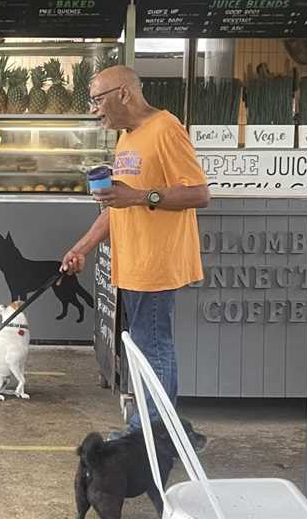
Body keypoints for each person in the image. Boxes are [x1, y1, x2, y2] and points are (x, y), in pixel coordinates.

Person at [60, 65, 209, 435]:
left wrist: (140, 195)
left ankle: (151, 435)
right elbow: (118, 206)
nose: (94, 109)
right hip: (133, 264)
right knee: (144, 347)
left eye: (97, 99)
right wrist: (82, 247)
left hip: (157, 264)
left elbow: (198, 193)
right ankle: (149, 427)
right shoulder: (127, 138)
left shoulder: (166, 129)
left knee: (154, 347)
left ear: (124, 93)